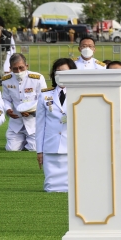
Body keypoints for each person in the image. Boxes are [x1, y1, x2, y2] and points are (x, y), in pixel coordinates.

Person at [35, 58, 77, 192]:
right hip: (51, 145)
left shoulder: (80, 94)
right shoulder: (45, 95)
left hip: (73, 146)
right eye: (57, 72)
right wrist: (39, 151)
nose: (60, 75)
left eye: (64, 72)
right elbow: (40, 125)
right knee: (51, 187)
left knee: (74, 187)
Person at [2, 54, 47, 152]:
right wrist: (8, 110)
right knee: (11, 149)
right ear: (10, 68)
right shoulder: (6, 80)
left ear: (27, 66)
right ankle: (21, 141)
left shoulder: (37, 78)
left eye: (21, 68)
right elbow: (6, 99)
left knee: (34, 149)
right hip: (16, 120)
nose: (18, 71)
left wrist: (31, 110)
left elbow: (43, 99)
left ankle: (28, 141)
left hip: (33, 121)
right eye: (15, 69)